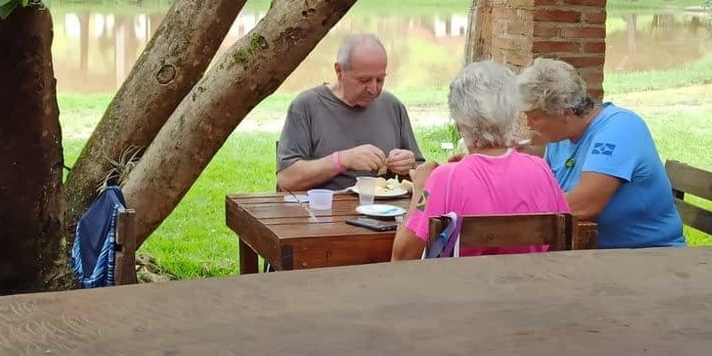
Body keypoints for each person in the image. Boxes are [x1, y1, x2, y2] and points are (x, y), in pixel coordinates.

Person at [393, 61, 569, 260]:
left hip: (464, 289)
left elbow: (402, 257)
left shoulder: (445, 178)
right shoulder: (540, 169)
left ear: (460, 123)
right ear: (511, 115)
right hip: (529, 286)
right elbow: (560, 247)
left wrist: (420, 190)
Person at [516, 57, 685, 249]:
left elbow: (585, 204)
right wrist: (520, 164)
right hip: (595, 256)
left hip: (650, 256)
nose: (528, 124)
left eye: (535, 117)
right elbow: (549, 192)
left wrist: (514, 214)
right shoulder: (559, 140)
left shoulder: (620, 128)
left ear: (565, 112)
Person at [276, 34, 423, 192]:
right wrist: (341, 161)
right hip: (321, 212)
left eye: (380, 79)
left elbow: (423, 176)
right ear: (339, 71)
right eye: (364, 80)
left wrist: (410, 165)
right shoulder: (306, 106)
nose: (373, 89)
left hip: (384, 213)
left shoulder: (392, 106)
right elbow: (287, 179)